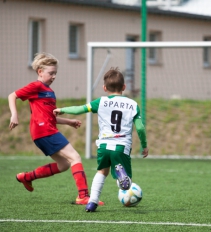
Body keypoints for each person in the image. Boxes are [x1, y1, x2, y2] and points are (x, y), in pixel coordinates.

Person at [8, 52, 104, 206]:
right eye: (51, 73)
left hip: (43, 131)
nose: (54, 76)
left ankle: (27, 177)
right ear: (40, 72)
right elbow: (12, 96)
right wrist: (14, 115)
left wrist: (68, 122)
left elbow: (50, 117)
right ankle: (83, 196)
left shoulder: (49, 91)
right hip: (44, 130)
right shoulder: (36, 86)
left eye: (55, 73)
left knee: (64, 164)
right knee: (75, 157)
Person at [53, 67, 149, 212]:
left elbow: (81, 109)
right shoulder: (133, 105)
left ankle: (92, 203)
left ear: (104, 88)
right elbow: (140, 128)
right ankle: (121, 175)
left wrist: (63, 109)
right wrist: (144, 145)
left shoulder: (101, 102)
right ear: (124, 87)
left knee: (101, 172)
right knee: (126, 183)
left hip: (103, 145)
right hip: (121, 146)